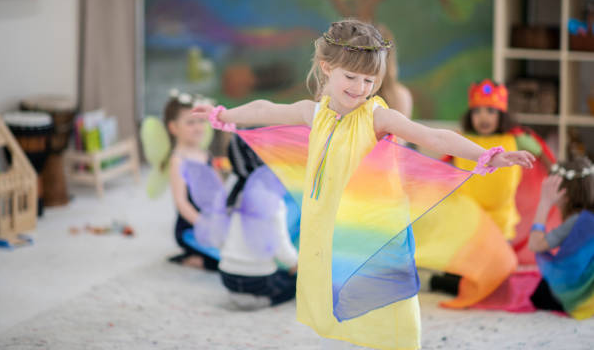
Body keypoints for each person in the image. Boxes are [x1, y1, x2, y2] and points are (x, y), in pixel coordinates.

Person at [193, 19, 534, 349]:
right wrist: (224, 115)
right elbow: (265, 109)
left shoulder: (376, 116)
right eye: (351, 77)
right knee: (339, 295)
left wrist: (484, 154)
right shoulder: (314, 112)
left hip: (372, 222)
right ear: (327, 67)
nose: (360, 88)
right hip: (328, 222)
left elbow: (432, 135)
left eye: (369, 80)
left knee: (388, 302)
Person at [218, 135, 298, 309]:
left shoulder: (230, 193)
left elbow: (218, 237)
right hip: (258, 280)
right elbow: (281, 247)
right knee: (293, 282)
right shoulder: (272, 197)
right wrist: (295, 263)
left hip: (226, 276)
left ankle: (240, 295)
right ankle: (262, 300)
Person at [528, 157, 594, 319]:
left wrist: (544, 203)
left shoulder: (579, 221)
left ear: (564, 194)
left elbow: (536, 244)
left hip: (583, 293)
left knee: (538, 294)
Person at [164, 92, 219, 270]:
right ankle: (191, 259)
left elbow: (219, 189)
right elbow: (181, 202)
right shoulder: (178, 160)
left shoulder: (206, 154)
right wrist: (205, 225)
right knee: (221, 261)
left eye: (201, 121)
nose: (198, 127)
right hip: (191, 227)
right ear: (173, 127)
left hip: (213, 219)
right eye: (190, 122)